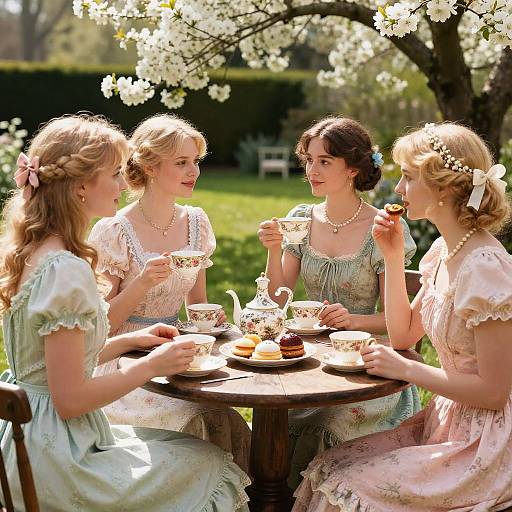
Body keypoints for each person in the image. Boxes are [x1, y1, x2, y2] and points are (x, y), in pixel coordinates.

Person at [0, 114, 250, 511]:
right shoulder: (65, 270)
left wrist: (128, 343)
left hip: (31, 439)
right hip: (59, 457)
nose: (122, 183)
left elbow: (47, 366)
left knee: (197, 444)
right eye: (114, 173)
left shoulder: (33, 253)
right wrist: (151, 366)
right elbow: (69, 399)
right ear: (81, 186)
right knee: (212, 466)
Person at [293, 122, 512, 511]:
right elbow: (404, 336)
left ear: (443, 187)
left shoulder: (484, 266)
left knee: (345, 480)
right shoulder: (442, 253)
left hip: (488, 443)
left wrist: (406, 370)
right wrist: (392, 258)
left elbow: (494, 393)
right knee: (328, 464)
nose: (398, 190)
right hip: (449, 421)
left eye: (409, 178)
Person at [258, 117, 420, 489]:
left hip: (367, 366)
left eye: (324, 162)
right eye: (308, 160)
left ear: (353, 169)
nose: (311, 171)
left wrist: (353, 321)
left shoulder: (382, 228)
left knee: (326, 423)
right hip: (308, 359)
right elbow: (279, 297)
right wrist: (273, 250)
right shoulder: (300, 219)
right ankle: (277, 496)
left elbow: (397, 323)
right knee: (277, 419)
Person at [89, 114, 250, 471]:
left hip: (177, 349)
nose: (193, 171)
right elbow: (101, 325)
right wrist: (142, 282)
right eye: (181, 163)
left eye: (195, 161)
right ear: (148, 165)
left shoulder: (196, 222)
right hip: (124, 359)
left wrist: (210, 318)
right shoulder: (113, 230)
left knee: (220, 416)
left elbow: (196, 304)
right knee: (189, 419)